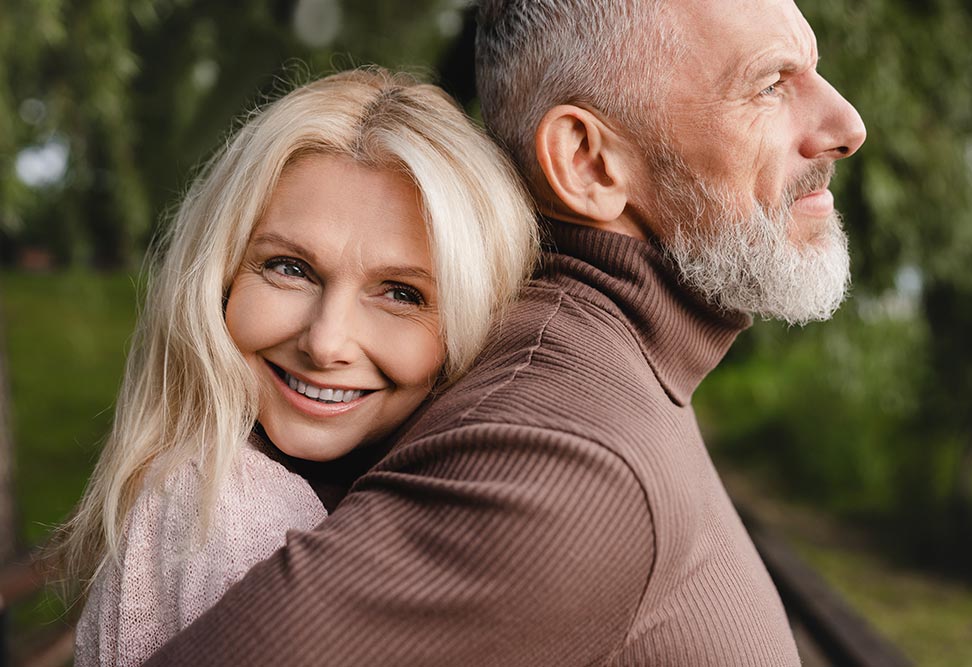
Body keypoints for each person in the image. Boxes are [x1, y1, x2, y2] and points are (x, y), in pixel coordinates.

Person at [142, 0, 866, 665]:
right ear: (585, 162)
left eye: (814, 70)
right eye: (771, 84)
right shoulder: (568, 455)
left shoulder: (621, 371)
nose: (846, 124)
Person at [51, 68, 538, 666]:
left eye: (401, 293)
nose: (326, 342)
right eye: (289, 268)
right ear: (221, 274)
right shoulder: (241, 515)